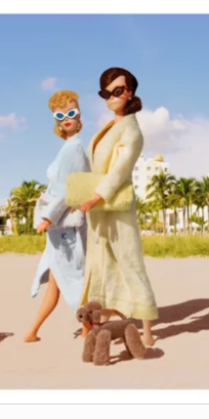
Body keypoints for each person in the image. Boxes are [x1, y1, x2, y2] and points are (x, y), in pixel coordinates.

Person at [77, 68, 159, 347]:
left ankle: (147, 329)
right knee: (99, 264)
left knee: (129, 261)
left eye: (116, 91)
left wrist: (95, 197)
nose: (111, 98)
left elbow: (119, 171)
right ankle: (96, 323)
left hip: (115, 204)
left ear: (130, 92)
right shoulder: (110, 126)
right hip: (98, 208)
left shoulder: (132, 129)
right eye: (105, 93)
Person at [24, 90, 91, 343]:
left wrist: (48, 218)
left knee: (73, 279)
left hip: (64, 228)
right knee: (59, 280)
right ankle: (33, 331)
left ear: (79, 115)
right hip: (60, 228)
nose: (66, 119)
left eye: (71, 113)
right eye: (60, 115)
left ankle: (88, 327)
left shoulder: (75, 148)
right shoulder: (68, 147)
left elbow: (67, 189)